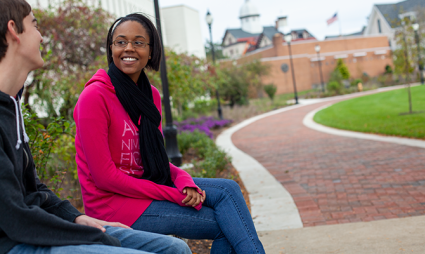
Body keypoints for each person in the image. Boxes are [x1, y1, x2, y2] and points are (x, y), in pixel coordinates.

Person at [0, 1, 191, 253]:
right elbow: (13, 216)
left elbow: (34, 190)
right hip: (14, 242)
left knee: (175, 249)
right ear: (14, 30)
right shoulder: (94, 95)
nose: (42, 36)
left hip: (36, 227)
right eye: (34, 25)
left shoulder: (12, 104)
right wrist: (85, 234)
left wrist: (76, 217)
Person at [74, 13, 266, 254]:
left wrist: (184, 182)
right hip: (113, 206)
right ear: (110, 48)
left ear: (151, 51)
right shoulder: (94, 97)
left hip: (143, 189)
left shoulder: (151, 95)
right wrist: (172, 193)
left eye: (138, 42)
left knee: (228, 190)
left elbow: (155, 160)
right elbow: (105, 178)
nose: (128, 48)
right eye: (120, 42)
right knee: (227, 224)